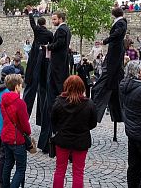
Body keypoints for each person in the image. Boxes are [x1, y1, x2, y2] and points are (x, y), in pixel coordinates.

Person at [51, 75, 97, 188]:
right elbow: (93, 123)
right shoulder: (89, 104)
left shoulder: (58, 102)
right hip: (81, 140)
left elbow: (53, 121)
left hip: (62, 139)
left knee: (60, 170)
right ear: (82, 87)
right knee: (78, 172)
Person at [40, 11, 71, 152]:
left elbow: (59, 43)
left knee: (55, 89)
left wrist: (48, 47)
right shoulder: (65, 29)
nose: (52, 21)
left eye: (54, 19)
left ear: (60, 19)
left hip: (57, 66)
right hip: (60, 65)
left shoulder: (62, 29)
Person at [93, 7, 127, 123]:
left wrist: (105, 41)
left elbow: (117, 34)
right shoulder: (120, 22)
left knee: (111, 70)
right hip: (115, 50)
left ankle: (110, 82)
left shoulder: (121, 22)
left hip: (116, 51)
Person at [0, 74, 31, 188]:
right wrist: (28, 133)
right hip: (17, 139)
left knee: (8, 164)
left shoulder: (3, 100)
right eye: (20, 84)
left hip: (6, 136)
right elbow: (25, 124)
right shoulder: (19, 103)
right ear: (17, 86)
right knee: (21, 169)